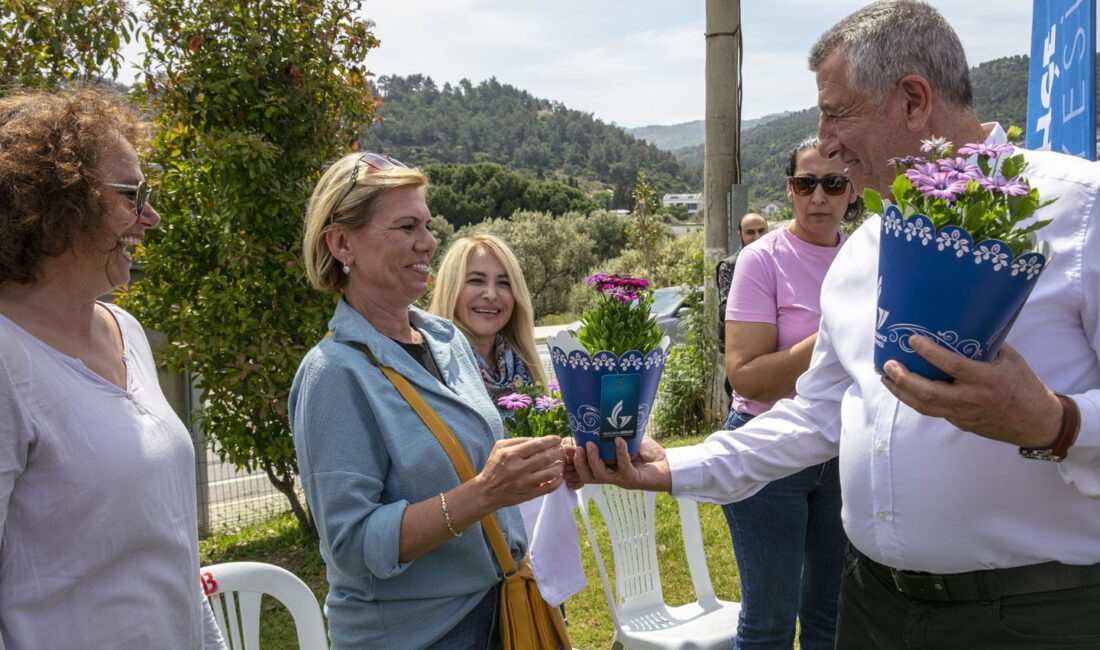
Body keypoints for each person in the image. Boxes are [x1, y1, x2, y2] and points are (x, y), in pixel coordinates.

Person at [574, 2, 1100, 649]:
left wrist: (1056, 422)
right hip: (872, 609)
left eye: (837, 111)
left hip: (1042, 618)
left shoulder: (1083, 213)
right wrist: (676, 467)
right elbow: (817, 415)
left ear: (912, 100)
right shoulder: (863, 250)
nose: (823, 140)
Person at [291, 151, 565, 649]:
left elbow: (475, 463)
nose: (428, 243)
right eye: (406, 227)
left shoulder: (445, 340)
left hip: (498, 609)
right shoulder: (333, 374)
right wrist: (482, 494)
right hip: (419, 636)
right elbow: (351, 544)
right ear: (342, 243)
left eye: (427, 224)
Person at [0, 87, 225, 649]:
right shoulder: (7, 362)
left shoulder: (126, 334)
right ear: (51, 206)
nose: (150, 216)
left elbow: (171, 550)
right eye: (131, 194)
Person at [719, 138, 853, 650]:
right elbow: (747, 377)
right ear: (790, 190)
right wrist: (831, 337)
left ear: (852, 189)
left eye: (833, 183)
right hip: (769, 447)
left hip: (841, 450)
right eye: (806, 183)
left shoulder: (864, 257)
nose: (819, 196)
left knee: (830, 619)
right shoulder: (761, 260)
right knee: (769, 624)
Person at [430, 233, 548, 408]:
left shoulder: (525, 366)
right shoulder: (432, 369)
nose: (491, 294)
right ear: (450, 289)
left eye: (504, 283)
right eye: (476, 281)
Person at [716, 212, 768, 358]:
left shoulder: (777, 262)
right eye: (750, 232)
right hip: (742, 347)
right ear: (740, 235)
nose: (757, 237)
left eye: (761, 231)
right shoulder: (729, 266)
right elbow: (728, 308)